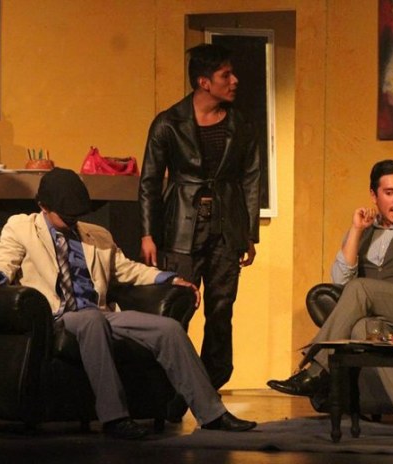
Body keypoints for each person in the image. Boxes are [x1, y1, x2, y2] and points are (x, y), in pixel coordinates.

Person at [0, 168, 257, 440]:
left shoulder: (97, 235)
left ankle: (212, 414)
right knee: (91, 320)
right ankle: (115, 417)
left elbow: (125, 269)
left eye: (76, 215)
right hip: (58, 316)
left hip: (99, 312)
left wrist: (168, 278)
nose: (72, 221)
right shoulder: (21, 227)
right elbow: (4, 261)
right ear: (43, 206)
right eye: (65, 215)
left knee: (168, 329)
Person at [267, 159, 393, 431]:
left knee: (361, 288)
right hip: (384, 320)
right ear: (374, 196)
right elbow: (341, 285)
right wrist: (356, 231)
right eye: (389, 192)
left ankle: (317, 371)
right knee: (364, 328)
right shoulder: (361, 232)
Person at [138, 44, 261, 403]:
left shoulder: (241, 124)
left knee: (221, 310)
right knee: (178, 307)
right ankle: (171, 388)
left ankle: (210, 386)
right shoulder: (168, 122)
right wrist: (148, 233)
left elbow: (251, 179)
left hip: (226, 227)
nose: (234, 81)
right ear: (204, 82)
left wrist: (248, 233)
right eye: (226, 75)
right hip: (181, 227)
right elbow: (149, 182)